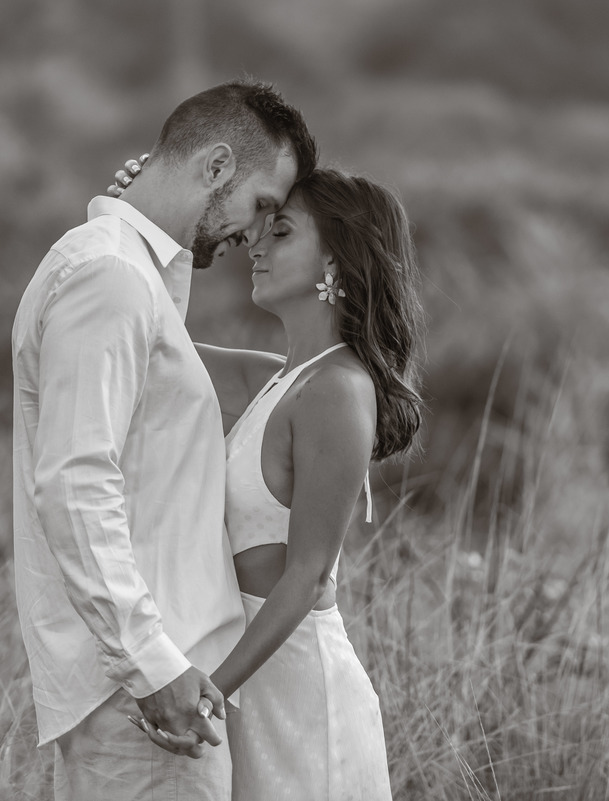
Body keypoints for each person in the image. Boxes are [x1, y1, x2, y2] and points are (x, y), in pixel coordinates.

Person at [11, 79, 317, 801]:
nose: (254, 234)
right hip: (146, 696)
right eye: (262, 206)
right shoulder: (110, 277)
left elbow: (163, 374)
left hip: (150, 683)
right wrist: (154, 667)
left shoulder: (125, 272)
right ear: (215, 168)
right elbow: (76, 485)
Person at [113, 160, 424, 800]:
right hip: (252, 681)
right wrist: (138, 217)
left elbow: (307, 575)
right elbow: (142, 335)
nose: (256, 244)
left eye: (280, 233)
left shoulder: (338, 390)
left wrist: (208, 691)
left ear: (337, 260)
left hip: (301, 694)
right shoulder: (277, 380)